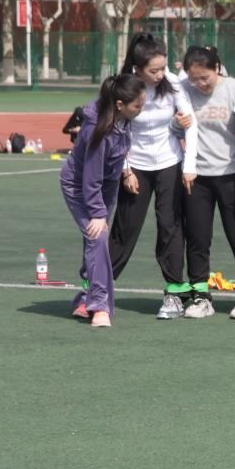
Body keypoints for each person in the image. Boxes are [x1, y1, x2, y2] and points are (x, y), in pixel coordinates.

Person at [108, 33, 198, 320]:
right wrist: (126, 171)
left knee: (170, 225)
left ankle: (174, 293)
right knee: (125, 228)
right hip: (136, 165)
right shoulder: (125, 87)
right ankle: (97, 288)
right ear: (138, 68)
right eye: (153, 70)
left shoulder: (172, 84)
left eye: (163, 68)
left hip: (169, 162)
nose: (160, 75)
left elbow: (190, 123)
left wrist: (189, 166)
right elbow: (117, 131)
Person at [177, 46, 235, 320]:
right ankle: (201, 295)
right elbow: (176, 128)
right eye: (194, 79)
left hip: (231, 173)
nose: (200, 84)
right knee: (197, 236)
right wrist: (178, 124)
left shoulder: (234, 89)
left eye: (205, 77)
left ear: (216, 68)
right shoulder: (183, 90)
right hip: (197, 176)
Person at [60, 74, 147, 328]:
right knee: (97, 236)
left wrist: (126, 172)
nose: (141, 109)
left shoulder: (123, 118)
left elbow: (120, 152)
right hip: (79, 187)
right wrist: (98, 213)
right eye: (137, 105)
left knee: (94, 240)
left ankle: (84, 299)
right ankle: (99, 305)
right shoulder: (99, 131)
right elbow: (90, 178)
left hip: (106, 187)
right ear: (120, 104)